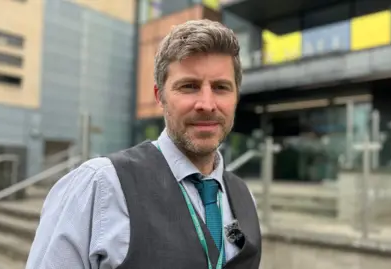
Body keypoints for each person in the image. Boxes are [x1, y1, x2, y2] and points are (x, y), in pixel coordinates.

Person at [26, 19, 261, 269]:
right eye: (189, 86)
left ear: (236, 96)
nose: (207, 103)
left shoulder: (244, 198)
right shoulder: (100, 187)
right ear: (160, 96)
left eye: (221, 87)